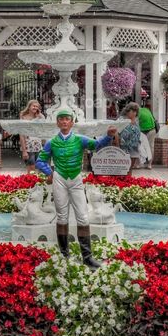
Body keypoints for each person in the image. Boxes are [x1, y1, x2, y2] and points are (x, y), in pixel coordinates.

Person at [35, 108, 117, 269]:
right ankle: (64, 255)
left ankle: (87, 257)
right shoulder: (52, 142)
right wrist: (49, 172)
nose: (64, 121)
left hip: (76, 179)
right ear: (57, 122)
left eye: (67, 119)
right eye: (61, 119)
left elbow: (96, 145)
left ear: (72, 122)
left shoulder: (80, 139)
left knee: (83, 217)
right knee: (62, 217)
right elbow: (40, 161)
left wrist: (109, 135)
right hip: (59, 178)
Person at [18, 100, 45, 175]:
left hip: (38, 147)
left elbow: (44, 122)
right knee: (31, 169)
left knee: (39, 168)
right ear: (29, 106)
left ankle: (37, 185)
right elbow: (21, 134)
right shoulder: (23, 117)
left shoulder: (39, 117)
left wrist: (39, 114)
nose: (35, 108)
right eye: (33, 106)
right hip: (28, 147)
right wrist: (24, 151)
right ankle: (31, 184)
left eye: (37, 106)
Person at [119, 102, 142, 174]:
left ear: (135, 112)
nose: (128, 113)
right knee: (124, 168)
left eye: (130, 111)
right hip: (124, 149)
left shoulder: (136, 122)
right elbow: (117, 133)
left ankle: (128, 182)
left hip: (134, 148)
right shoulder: (123, 121)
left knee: (130, 168)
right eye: (128, 111)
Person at [137, 102, 157, 169]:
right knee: (151, 147)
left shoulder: (137, 112)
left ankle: (140, 164)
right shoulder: (146, 109)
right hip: (152, 129)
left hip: (145, 130)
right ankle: (149, 164)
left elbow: (134, 123)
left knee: (139, 146)